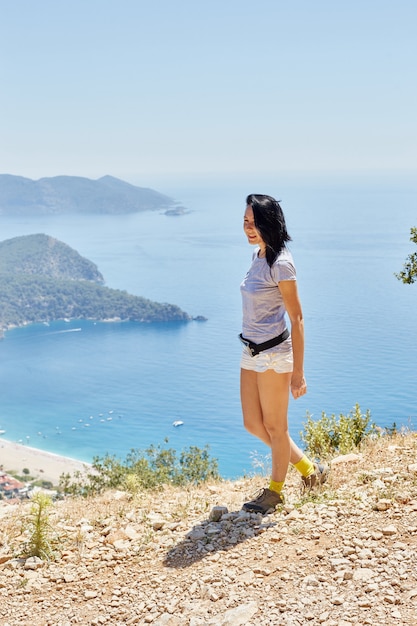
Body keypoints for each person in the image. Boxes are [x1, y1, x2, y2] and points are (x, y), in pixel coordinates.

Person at [240, 194, 328, 514]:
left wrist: (298, 372)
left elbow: (298, 318)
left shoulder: (282, 264)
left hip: (275, 354)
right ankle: (310, 470)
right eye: (246, 222)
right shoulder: (257, 255)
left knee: (277, 427)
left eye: (256, 223)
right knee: (252, 422)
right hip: (250, 350)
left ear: (270, 222)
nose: (249, 229)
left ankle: (275, 492)